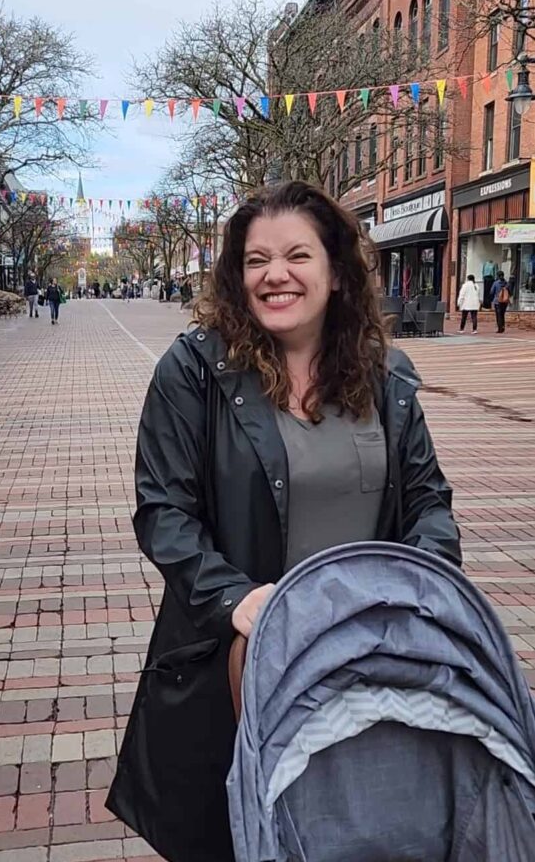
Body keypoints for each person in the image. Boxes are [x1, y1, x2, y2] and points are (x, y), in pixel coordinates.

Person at [106, 181, 460, 862]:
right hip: (237, 662)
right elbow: (164, 512)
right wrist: (236, 601)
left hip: (367, 652)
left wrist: (423, 588)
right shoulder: (194, 371)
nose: (275, 275)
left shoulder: (386, 377)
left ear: (334, 269)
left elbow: (428, 502)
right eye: (254, 260)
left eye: (296, 255)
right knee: (246, 834)